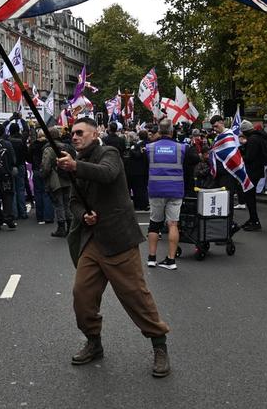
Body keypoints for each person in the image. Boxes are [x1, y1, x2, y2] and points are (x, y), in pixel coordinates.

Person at [57, 117, 171, 378]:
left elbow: (107, 174)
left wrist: (75, 166)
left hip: (118, 239)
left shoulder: (108, 152)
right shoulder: (76, 163)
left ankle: (159, 344)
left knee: (135, 297)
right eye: (72, 133)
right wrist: (83, 214)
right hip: (92, 242)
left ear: (94, 132)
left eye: (80, 132)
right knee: (82, 296)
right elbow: (74, 201)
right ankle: (93, 342)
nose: (74, 137)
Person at [145, 119, 199, 270]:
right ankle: (171, 260)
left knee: (154, 224)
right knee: (173, 224)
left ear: (159, 131)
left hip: (156, 189)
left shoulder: (149, 147)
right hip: (175, 190)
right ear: (171, 131)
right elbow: (195, 159)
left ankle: (151, 258)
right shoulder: (182, 148)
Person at [40, 126, 74, 237]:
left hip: (56, 179)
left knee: (58, 203)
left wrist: (43, 176)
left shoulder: (48, 149)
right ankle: (70, 226)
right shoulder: (67, 147)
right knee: (67, 203)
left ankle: (61, 228)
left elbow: (45, 167)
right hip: (67, 178)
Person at [239, 120, 267, 231]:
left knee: (249, 196)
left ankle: (255, 220)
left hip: (253, 171)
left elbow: (250, 157)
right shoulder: (258, 137)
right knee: (250, 196)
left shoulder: (253, 140)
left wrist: (240, 157)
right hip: (257, 170)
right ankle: (253, 218)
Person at [30, 128, 53, 225]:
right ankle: (48, 216)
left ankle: (39, 216)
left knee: (38, 193)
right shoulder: (49, 145)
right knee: (47, 193)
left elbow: (29, 157)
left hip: (36, 169)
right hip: (47, 169)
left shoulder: (33, 145)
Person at [8, 124, 29, 219]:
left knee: (13, 190)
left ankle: (14, 213)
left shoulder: (7, 141)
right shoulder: (21, 141)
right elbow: (26, 153)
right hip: (20, 165)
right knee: (21, 189)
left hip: (11, 166)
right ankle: (23, 212)